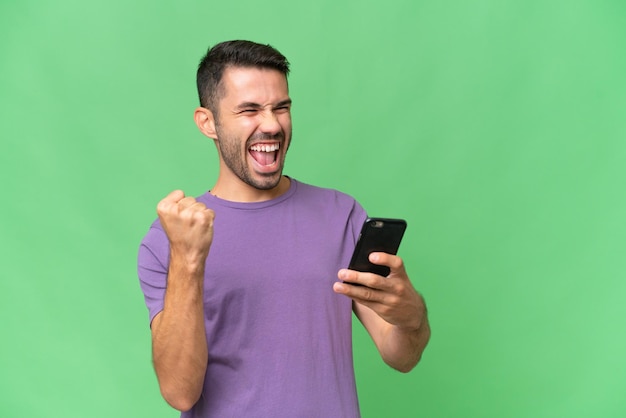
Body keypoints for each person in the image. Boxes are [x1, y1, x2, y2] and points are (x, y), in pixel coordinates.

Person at [137, 40, 430, 418]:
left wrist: (412, 318)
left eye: (282, 107)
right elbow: (179, 392)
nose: (272, 124)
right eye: (249, 110)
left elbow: (401, 355)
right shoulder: (169, 238)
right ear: (207, 122)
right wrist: (188, 259)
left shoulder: (340, 214)